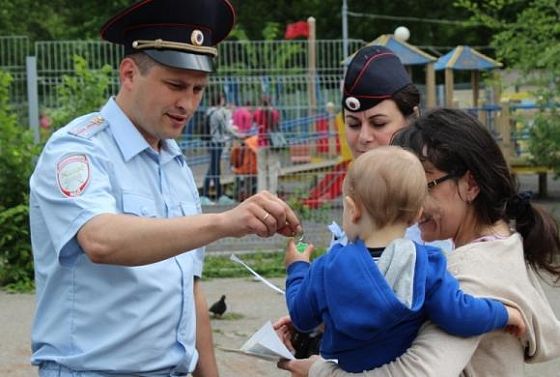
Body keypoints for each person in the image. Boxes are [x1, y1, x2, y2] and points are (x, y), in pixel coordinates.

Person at [28, 1, 301, 376]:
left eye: (198, 89)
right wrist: (224, 222)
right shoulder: (78, 149)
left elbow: (189, 288)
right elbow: (101, 240)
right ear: (129, 73)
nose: (187, 104)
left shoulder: (174, 164)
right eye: (175, 85)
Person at [278, 108, 560, 377]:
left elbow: (417, 372)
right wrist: (335, 310)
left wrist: (317, 371)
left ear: (470, 185)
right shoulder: (501, 246)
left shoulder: (469, 273)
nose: (413, 207)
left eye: (422, 188)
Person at [275, 44, 452, 360]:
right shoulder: (357, 195)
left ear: (412, 120)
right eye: (353, 124)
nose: (363, 138)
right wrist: (320, 322)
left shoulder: (437, 207)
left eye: (379, 123)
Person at [201, 91, 237, 205]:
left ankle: (215, 194)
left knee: (213, 168)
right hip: (217, 142)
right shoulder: (218, 113)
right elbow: (226, 128)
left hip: (210, 141)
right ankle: (209, 194)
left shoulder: (209, 111)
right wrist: (239, 135)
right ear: (220, 99)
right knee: (214, 169)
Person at [253, 96, 282, 194]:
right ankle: (272, 193)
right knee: (272, 169)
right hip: (272, 143)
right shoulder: (274, 113)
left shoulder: (257, 112)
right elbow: (277, 123)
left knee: (261, 170)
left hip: (261, 142)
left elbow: (255, 122)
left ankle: (261, 192)